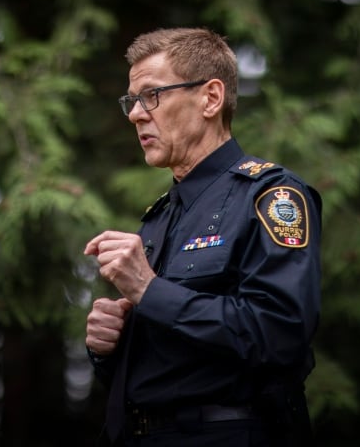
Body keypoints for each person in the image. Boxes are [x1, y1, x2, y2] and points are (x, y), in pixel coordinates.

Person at [84, 27, 322, 447]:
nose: (136, 114)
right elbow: (167, 366)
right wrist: (110, 348)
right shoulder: (158, 218)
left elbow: (279, 335)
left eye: (151, 96)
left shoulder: (270, 196)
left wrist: (149, 290)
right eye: (132, 101)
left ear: (210, 98)